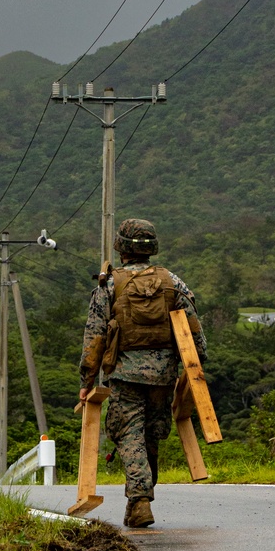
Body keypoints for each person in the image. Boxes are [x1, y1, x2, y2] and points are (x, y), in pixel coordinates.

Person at [79, 218, 207, 529]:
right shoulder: (173, 282)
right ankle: (142, 496)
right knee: (151, 435)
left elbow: (94, 339)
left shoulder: (109, 285)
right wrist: (195, 371)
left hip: (125, 374)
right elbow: (194, 335)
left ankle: (139, 500)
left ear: (121, 248)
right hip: (164, 376)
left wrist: (86, 382)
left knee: (128, 434)